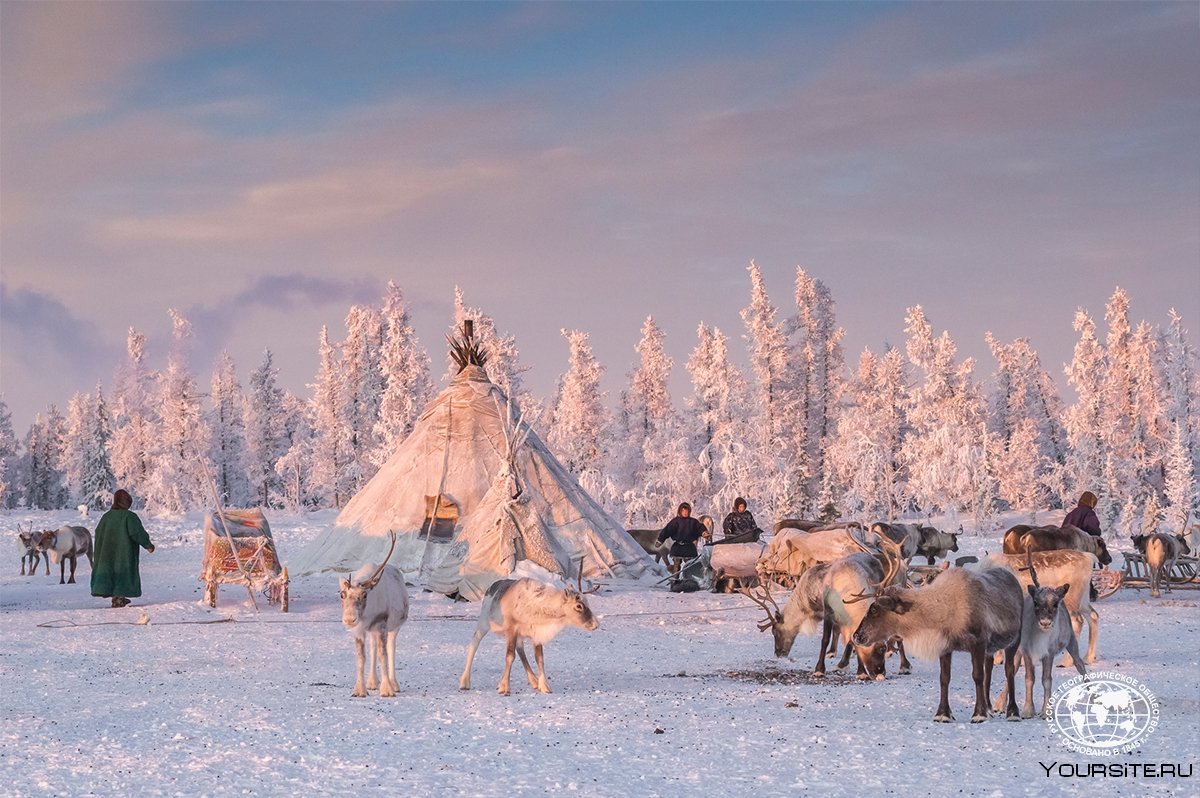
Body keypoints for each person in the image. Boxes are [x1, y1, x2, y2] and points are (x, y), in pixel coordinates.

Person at [91, 489, 155, 608]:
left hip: (107, 554)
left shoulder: (106, 517)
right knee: (122, 572)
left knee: (111, 573)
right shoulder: (129, 517)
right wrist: (148, 545)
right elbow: (137, 533)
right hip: (123, 553)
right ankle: (119, 598)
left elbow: (98, 532)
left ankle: (117, 597)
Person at [657, 502, 707, 575]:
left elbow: (700, 528)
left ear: (689, 511)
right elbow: (667, 530)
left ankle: (691, 580)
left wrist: (704, 532)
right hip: (678, 547)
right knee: (676, 566)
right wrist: (660, 540)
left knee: (691, 566)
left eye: (686, 511)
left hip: (689, 548)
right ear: (680, 511)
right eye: (683, 510)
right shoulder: (675, 521)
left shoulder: (693, 522)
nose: (685, 512)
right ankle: (674, 580)